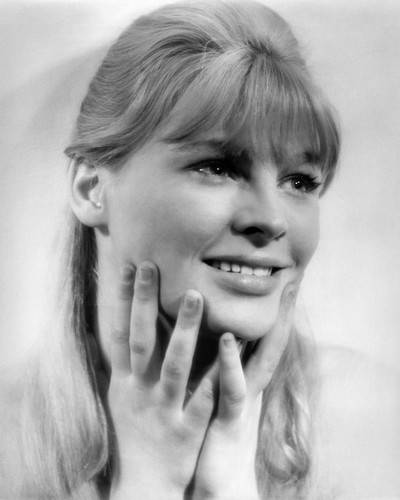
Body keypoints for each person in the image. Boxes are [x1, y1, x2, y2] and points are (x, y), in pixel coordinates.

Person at [2, 1, 397, 499]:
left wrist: (229, 488)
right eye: (217, 167)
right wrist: (148, 486)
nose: (272, 219)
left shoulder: (378, 424)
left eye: (299, 181)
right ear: (90, 189)